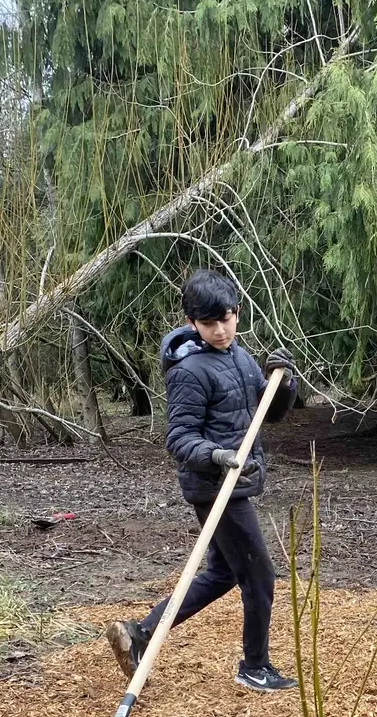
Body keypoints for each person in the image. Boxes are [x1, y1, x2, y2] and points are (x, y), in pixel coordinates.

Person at [107, 269, 299, 692]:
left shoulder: (240, 357)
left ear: (237, 313)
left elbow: (270, 413)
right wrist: (218, 456)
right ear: (193, 322)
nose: (220, 330)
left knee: (222, 574)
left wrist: (284, 384)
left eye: (227, 319)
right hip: (216, 486)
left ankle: (140, 632)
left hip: (235, 482)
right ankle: (255, 666)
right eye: (209, 323)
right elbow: (178, 437)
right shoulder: (190, 370)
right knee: (259, 577)